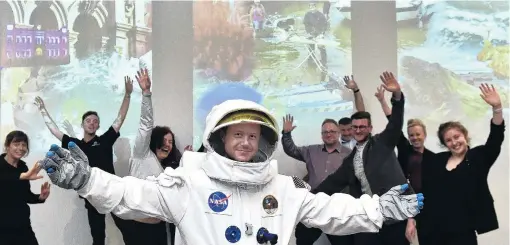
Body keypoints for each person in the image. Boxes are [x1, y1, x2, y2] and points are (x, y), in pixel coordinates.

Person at [40, 99, 424, 245]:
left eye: (252, 135)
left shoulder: (282, 186)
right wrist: (88, 180)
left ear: (264, 141)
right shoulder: (189, 181)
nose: (245, 142)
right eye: (237, 134)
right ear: (220, 138)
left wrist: (379, 209)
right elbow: (132, 194)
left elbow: (331, 211)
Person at [295, 72, 411, 245]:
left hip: (394, 218)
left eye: (362, 127)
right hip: (369, 220)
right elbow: (331, 183)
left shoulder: (382, 143)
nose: (358, 130)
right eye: (354, 127)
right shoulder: (351, 160)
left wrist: (397, 95)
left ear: (370, 128)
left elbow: (395, 122)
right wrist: (304, 200)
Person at [34, 74, 133, 245]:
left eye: (95, 121)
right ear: (83, 124)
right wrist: (43, 109)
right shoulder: (75, 145)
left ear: (98, 126)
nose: (92, 123)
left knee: (129, 231)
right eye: (88, 120)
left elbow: (120, 118)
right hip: (92, 195)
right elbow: (55, 130)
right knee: (98, 238)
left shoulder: (105, 140)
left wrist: (127, 94)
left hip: (112, 191)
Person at [419, 84, 505, 245]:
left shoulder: (479, 157)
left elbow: (496, 138)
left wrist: (497, 108)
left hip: (463, 232)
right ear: (445, 144)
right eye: (449, 140)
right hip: (433, 231)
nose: (454, 142)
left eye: (456, 137)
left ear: (465, 135)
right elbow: (425, 192)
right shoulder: (436, 161)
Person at [123, 68, 180, 245]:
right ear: (155, 140)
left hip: (159, 229)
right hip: (139, 229)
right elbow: (145, 125)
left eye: (171, 142)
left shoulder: (166, 168)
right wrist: (146, 93)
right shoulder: (141, 154)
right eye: (165, 140)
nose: (168, 145)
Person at [375, 85, 435, 243]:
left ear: (424, 135)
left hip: (425, 207)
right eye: (411, 135)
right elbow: (392, 119)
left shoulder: (434, 158)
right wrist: (382, 101)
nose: (414, 137)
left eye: (418, 134)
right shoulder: (404, 148)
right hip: (403, 205)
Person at [0, 130, 50, 245]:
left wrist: (40, 197)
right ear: (7, 146)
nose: (21, 148)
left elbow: (25, 195)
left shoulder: (23, 167)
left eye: (23, 144)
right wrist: (23, 176)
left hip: (22, 224)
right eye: (16, 144)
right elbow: (5, 178)